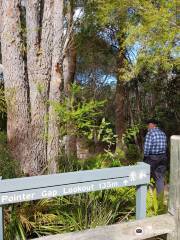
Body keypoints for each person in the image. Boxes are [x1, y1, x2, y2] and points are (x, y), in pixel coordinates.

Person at [143, 119, 167, 195]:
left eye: (148, 124)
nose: (147, 126)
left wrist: (145, 157)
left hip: (152, 158)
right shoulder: (162, 133)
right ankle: (159, 199)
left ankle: (144, 195)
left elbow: (147, 148)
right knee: (159, 177)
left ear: (152, 125)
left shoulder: (150, 133)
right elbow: (165, 146)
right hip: (163, 157)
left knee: (145, 175)